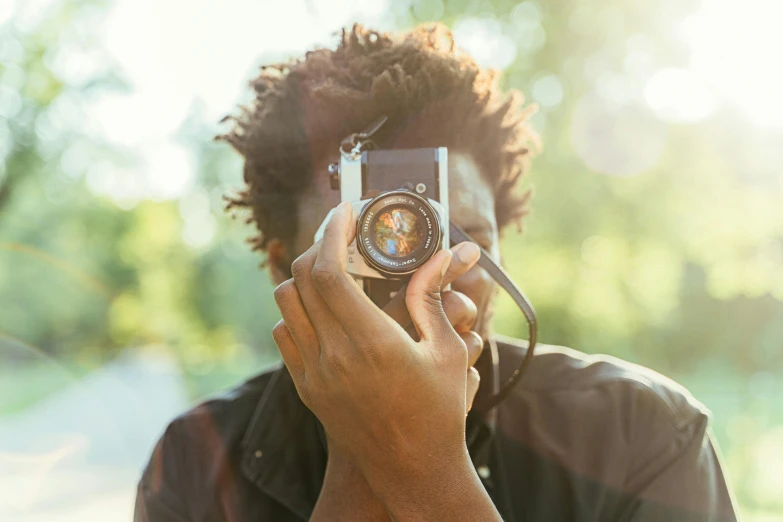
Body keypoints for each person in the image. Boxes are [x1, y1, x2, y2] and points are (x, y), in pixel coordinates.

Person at [134, 24, 738, 521]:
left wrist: (425, 469)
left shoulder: (645, 433)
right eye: (367, 245)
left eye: (460, 238)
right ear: (280, 270)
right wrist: (362, 447)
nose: (426, 274)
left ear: (501, 245)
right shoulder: (192, 463)